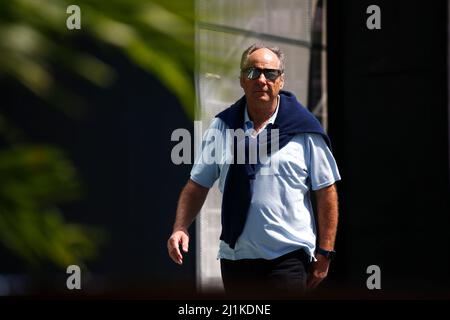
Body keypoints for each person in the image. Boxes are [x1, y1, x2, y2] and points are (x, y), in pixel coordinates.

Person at [167, 44, 341, 297]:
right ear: (241, 80)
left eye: (270, 74)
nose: (261, 80)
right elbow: (197, 184)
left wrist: (325, 251)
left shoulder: (305, 130)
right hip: (236, 260)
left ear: (280, 81)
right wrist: (180, 227)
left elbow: (326, 191)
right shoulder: (223, 127)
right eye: (252, 72)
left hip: (288, 259)